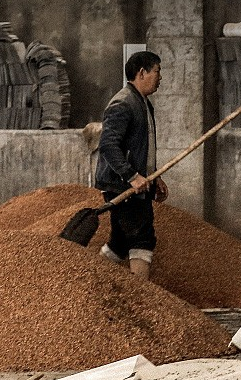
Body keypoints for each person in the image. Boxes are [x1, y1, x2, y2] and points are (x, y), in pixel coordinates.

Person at [94, 50, 168, 279]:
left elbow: (140, 149)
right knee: (142, 238)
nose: (160, 77)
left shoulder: (143, 103)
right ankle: (142, 297)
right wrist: (132, 176)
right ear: (142, 72)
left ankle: (91, 279)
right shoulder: (123, 104)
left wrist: (153, 176)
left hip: (137, 184)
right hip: (124, 187)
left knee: (119, 243)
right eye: (157, 71)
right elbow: (108, 145)